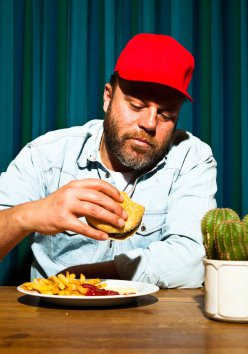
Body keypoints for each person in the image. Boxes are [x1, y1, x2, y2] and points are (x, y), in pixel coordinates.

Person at [0, 33, 217, 288]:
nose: (149, 123)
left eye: (166, 114)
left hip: (150, 322)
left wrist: (87, 277)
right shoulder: (47, 154)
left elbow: (191, 261)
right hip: (54, 320)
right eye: (136, 106)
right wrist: (27, 216)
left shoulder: (191, 158)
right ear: (107, 97)